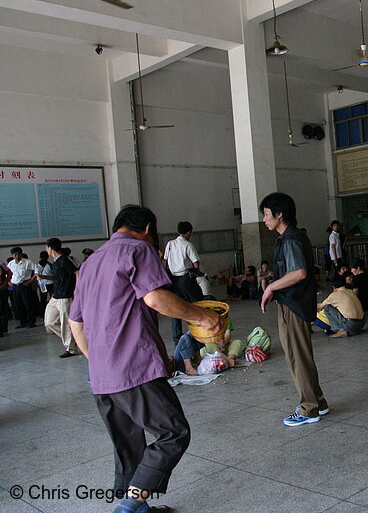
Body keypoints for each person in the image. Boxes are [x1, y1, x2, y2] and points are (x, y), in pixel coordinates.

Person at [67, 204, 223, 513]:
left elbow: (76, 324)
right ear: (148, 229)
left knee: (128, 445)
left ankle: (138, 507)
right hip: (132, 367)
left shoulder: (91, 262)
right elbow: (155, 297)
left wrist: (100, 361)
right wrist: (202, 316)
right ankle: (127, 508)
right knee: (173, 432)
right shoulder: (138, 250)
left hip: (101, 375)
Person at [259, 192, 329, 426]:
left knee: (297, 358)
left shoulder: (291, 239)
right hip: (294, 302)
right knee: (301, 356)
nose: (264, 220)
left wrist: (270, 288)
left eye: (267, 214)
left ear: (280, 215)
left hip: (294, 305)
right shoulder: (290, 237)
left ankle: (309, 409)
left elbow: (299, 273)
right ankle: (318, 402)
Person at [163, 221, 204, 345]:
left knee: (174, 308)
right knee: (198, 304)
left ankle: (177, 340)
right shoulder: (188, 245)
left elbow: (165, 260)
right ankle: (200, 335)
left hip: (173, 281)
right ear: (188, 232)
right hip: (186, 279)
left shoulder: (170, 244)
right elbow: (196, 263)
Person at [41, 238, 80, 357]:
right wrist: (43, 277)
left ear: (50, 248)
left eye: (46, 247)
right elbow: (57, 278)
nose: (46, 250)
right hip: (55, 296)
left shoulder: (64, 260)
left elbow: (77, 273)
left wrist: (76, 289)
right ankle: (73, 340)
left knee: (65, 323)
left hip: (64, 296)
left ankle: (71, 348)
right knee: (49, 322)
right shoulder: (55, 262)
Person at [174, 318, 241, 374]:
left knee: (237, 342)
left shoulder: (225, 319)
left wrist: (223, 342)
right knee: (186, 337)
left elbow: (228, 334)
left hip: (224, 345)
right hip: (213, 346)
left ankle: (228, 358)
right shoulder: (208, 321)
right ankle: (188, 367)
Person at [8, 247, 38, 328]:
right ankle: (22, 322)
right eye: (15, 254)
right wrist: (9, 281)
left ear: (21, 254)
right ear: (12, 255)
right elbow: (9, 273)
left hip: (24, 286)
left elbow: (38, 269)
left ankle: (31, 322)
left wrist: (31, 280)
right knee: (18, 305)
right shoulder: (11, 263)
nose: (17, 256)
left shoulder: (27, 262)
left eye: (18, 254)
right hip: (15, 287)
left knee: (28, 304)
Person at [0, 259, 11, 336]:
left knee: (3, 308)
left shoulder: (1, 264)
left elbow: (10, 273)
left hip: (2, 289)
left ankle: (4, 328)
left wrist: (5, 283)